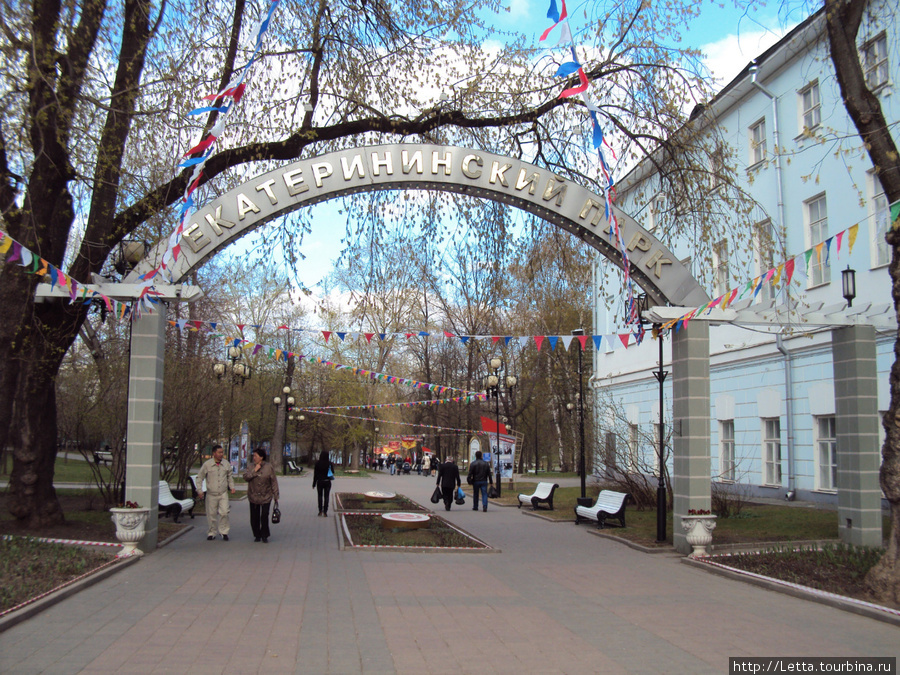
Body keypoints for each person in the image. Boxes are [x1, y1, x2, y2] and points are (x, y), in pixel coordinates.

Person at [196, 444, 236, 540]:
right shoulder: (207, 464)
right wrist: (199, 490)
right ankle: (212, 532)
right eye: (219, 452)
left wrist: (232, 487)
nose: (221, 454)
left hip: (223, 493)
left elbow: (229, 477)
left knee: (224, 512)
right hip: (211, 494)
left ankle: (224, 532)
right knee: (211, 514)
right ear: (214, 453)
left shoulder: (226, 464)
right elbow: (200, 477)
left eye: (222, 452)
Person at [243, 447, 280, 543]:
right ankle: (257, 534)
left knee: (264, 516)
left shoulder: (269, 467)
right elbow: (246, 477)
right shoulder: (250, 466)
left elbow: (273, 481)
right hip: (253, 495)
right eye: (253, 455)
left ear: (261, 457)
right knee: (254, 517)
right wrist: (254, 471)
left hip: (266, 495)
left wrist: (276, 495)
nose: (253, 457)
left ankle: (265, 535)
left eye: (255, 456)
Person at [312, 450, 335, 516]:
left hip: (320, 482)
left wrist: (314, 483)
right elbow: (332, 472)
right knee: (326, 496)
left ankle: (320, 511)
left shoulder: (317, 463)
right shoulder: (329, 463)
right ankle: (325, 511)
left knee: (320, 496)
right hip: (327, 482)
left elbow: (315, 474)